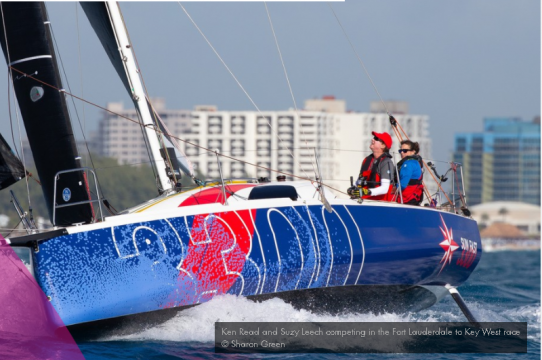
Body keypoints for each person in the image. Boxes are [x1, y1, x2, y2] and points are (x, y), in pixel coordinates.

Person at [350, 131, 395, 201]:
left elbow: (385, 188)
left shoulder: (386, 162)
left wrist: (367, 192)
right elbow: (360, 181)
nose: (372, 139)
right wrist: (353, 189)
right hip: (364, 200)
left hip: (380, 203)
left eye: (376, 138)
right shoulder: (366, 160)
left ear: (383, 145)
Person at [395, 140, 424, 205]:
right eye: (400, 151)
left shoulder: (408, 164)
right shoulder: (416, 162)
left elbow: (402, 185)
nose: (402, 152)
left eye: (405, 151)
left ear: (413, 152)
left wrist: (390, 189)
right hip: (414, 198)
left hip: (407, 199)